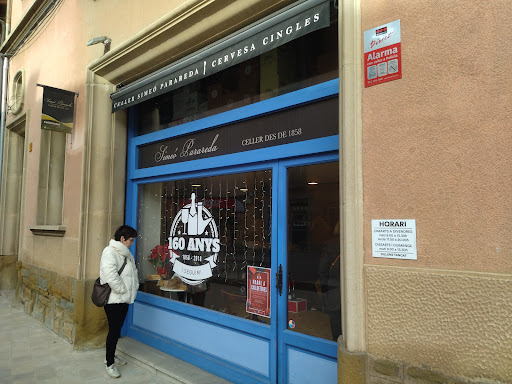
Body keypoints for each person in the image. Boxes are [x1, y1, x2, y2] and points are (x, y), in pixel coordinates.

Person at [99, 225, 139, 378]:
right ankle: (109, 363)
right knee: (114, 331)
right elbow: (110, 275)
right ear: (122, 239)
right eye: (130, 240)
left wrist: (132, 289)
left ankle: (111, 355)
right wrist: (123, 290)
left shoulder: (127, 254)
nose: (132, 243)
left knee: (117, 331)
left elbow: (133, 273)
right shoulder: (109, 251)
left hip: (124, 299)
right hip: (114, 300)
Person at [317, 221, 342, 341]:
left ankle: (335, 346)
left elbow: (323, 270)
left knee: (336, 322)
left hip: (334, 289)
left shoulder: (329, 245)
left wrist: (324, 289)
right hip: (351, 291)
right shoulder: (354, 244)